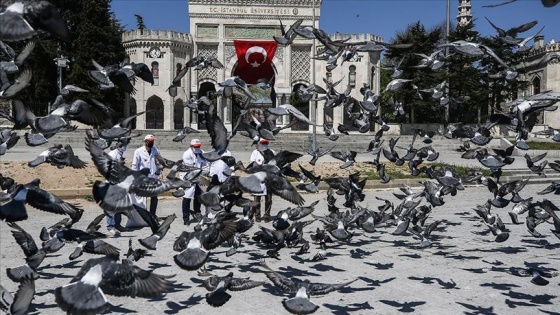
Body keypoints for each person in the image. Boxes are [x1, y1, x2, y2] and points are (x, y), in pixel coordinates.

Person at [131, 134, 168, 215]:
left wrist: (160, 174)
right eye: (149, 141)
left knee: (154, 197)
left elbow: (159, 164)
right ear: (145, 142)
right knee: (143, 198)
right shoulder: (138, 151)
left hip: (154, 178)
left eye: (152, 141)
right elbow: (134, 166)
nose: (151, 143)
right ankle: (143, 216)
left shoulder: (155, 151)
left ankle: (152, 215)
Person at [181, 138, 208, 225]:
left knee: (198, 197)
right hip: (188, 178)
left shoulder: (202, 152)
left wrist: (205, 171)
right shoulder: (186, 154)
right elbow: (190, 169)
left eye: (199, 146)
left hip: (199, 177)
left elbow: (206, 165)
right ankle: (186, 218)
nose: (197, 148)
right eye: (196, 147)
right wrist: (201, 171)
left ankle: (197, 213)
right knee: (187, 198)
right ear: (191, 146)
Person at [105, 138, 128, 235]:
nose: (125, 146)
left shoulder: (119, 153)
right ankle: (110, 226)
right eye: (123, 144)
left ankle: (117, 224)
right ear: (118, 144)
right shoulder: (113, 154)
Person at [250, 138, 274, 222]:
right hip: (258, 179)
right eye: (262, 143)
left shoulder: (271, 152)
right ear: (259, 143)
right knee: (257, 199)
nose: (264, 145)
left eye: (266, 143)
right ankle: (257, 216)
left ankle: (267, 215)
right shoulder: (255, 153)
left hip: (268, 179)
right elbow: (253, 165)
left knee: (269, 199)